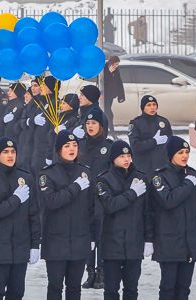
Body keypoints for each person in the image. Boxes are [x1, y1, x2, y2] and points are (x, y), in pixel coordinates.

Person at [0, 137, 40, 300]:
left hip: (21, 246)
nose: (10, 155)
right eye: (5, 152)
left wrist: (35, 244)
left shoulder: (26, 178)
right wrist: (15, 200)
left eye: (13, 152)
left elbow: (34, 213)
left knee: (17, 292)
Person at [38, 130, 95, 300]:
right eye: (67, 146)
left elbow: (92, 208)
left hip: (80, 239)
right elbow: (51, 202)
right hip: (56, 241)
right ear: (58, 150)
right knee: (55, 286)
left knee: (74, 288)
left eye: (75, 145)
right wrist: (75, 187)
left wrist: (92, 236)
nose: (72, 149)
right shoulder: (47, 174)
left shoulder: (85, 172)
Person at [151, 136, 196, 300]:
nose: (185, 156)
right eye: (180, 152)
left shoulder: (193, 175)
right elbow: (168, 201)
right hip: (169, 243)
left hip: (189, 242)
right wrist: (188, 184)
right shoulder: (159, 177)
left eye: (187, 152)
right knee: (168, 288)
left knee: (184, 289)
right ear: (170, 154)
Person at [97, 140, 151, 300]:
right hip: (112, 245)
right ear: (113, 158)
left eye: (129, 155)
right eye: (122, 156)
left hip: (134, 243)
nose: (126, 159)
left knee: (131, 290)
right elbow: (110, 205)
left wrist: (149, 239)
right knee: (111, 291)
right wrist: (132, 193)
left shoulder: (140, 178)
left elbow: (147, 212)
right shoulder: (103, 180)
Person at [77, 107, 112, 289]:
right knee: (87, 236)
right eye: (88, 123)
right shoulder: (80, 145)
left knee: (101, 235)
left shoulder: (109, 145)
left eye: (94, 123)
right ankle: (89, 270)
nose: (90, 126)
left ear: (102, 125)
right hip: (83, 198)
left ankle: (101, 271)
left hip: (102, 198)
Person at [128, 95, 172, 175]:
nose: (152, 107)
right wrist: (154, 141)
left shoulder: (164, 122)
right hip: (143, 168)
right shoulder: (136, 123)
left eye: (154, 104)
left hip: (162, 168)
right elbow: (135, 146)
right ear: (143, 108)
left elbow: (171, 146)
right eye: (148, 105)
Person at [103, 56, 124, 133]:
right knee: (108, 112)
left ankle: (110, 129)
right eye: (115, 64)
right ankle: (111, 129)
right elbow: (103, 82)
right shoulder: (105, 68)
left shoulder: (116, 70)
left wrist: (121, 95)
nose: (116, 66)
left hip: (110, 95)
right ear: (111, 63)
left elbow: (119, 82)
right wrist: (109, 72)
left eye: (117, 64)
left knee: (108, 111)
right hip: (104, 95)